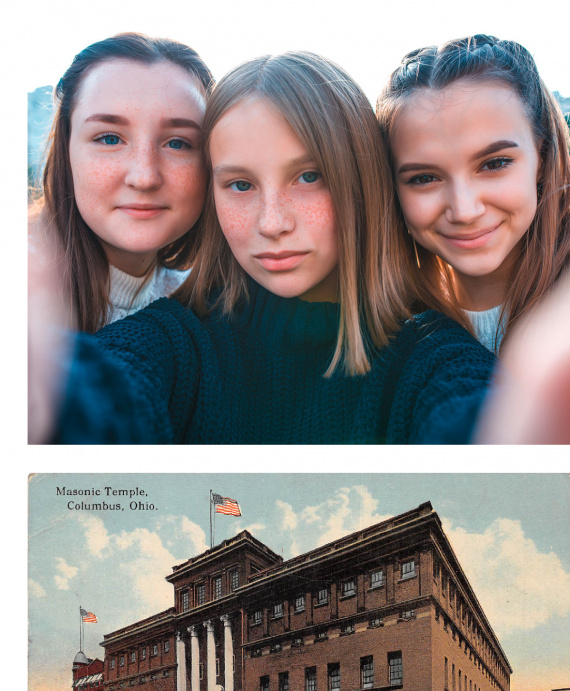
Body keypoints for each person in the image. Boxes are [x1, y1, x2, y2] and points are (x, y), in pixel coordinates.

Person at [32, 51, 497, 445]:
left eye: (309, 177)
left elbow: (477, 418)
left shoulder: (434, 358)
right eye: (240, 184)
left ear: (362, 181)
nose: (272, 223)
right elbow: (110, 389)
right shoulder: (179, 338)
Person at [376, 34, 570, 354]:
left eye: (494, 164)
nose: (464, 210)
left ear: (543, 157)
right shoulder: (388, 333)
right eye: (424, 178)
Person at [30, 32, 214, 332]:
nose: (144, 177)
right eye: (110, 139)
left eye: (178, 143)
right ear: (67, 150)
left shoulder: (211, 311)